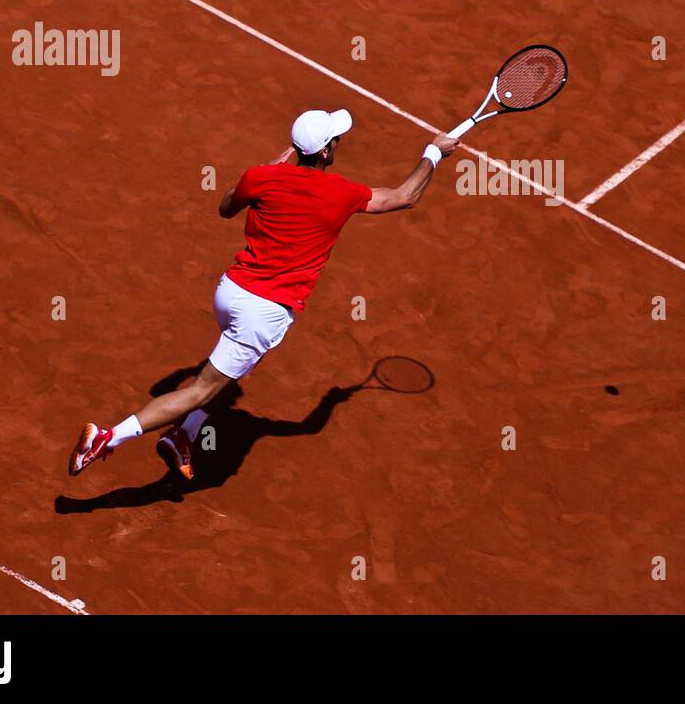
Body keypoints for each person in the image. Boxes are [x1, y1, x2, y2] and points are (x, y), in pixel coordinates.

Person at [68, 108, 459, 479]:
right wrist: (433, 153)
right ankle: (106, 437)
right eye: (336, 140)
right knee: (203, 388)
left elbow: (225, 208)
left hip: (231, 291)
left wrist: (264, 173)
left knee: (236, 370)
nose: (339, 144)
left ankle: (184, 434)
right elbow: (405, 196)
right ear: (324, 151)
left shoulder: (262, 176)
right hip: (265, 310)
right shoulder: (341, 192)